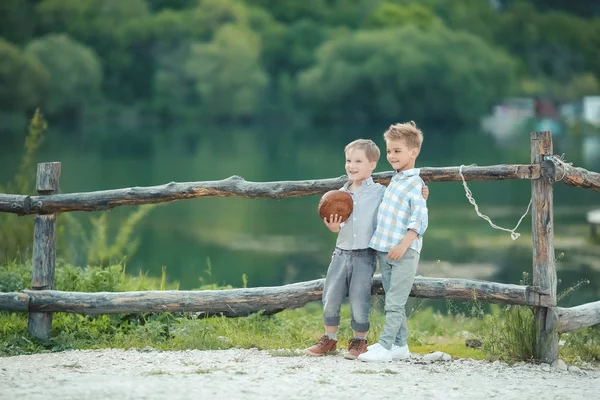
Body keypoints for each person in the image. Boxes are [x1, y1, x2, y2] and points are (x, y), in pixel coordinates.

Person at [305, 139, 428, 360]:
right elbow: (340, 223)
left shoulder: (382, 192)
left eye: (358, 161)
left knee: (359, 297)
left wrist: (422, 195)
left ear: (372, 165)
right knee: (331, 294)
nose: (351, 165)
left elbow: (401, 204)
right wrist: (334, 227)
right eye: (348, 161)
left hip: (365, 254)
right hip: (341, 252)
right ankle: (329, 338)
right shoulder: (339, 195)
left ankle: (359, 341)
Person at [358, 121, 428, 363]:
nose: (391, 156)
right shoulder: (396, 179)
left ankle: (385, 347)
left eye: (397, 151)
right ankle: (400, 345)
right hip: (385, 249)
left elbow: (419, 220)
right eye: (389, 151)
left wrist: (403, 245)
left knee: (395, 302)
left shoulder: (415, 184)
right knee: (392, 298)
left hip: (403, 251)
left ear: (413, 152)